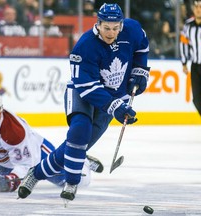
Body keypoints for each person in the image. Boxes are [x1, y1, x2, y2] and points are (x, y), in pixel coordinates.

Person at [18, 3, 150, 202]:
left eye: (115, 28)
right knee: (79, 131)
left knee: (76, 148)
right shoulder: (85, 45)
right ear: (98, 23)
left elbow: (142, 46)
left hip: (113, 95)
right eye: (107, 28)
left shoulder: (131, 29)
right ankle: (71, 182)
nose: (111, 33)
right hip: (83, 93)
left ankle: (35, 173)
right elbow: (87, 86)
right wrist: (115, 106)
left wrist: (140, 71)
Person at [0, 89, 103, 192]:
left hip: (37, 157)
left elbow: (26, 164)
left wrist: (12, 178)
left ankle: (81, 160)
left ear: (0, 109)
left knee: (73, 181)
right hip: (4, 162)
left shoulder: (14, 130)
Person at [180, 0, 201, 116]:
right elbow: (184, 43)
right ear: (193, 8)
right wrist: (184, 63)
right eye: (196, 6)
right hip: (196, 66)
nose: (198, 9)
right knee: (197, 99)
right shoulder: (188, 25)